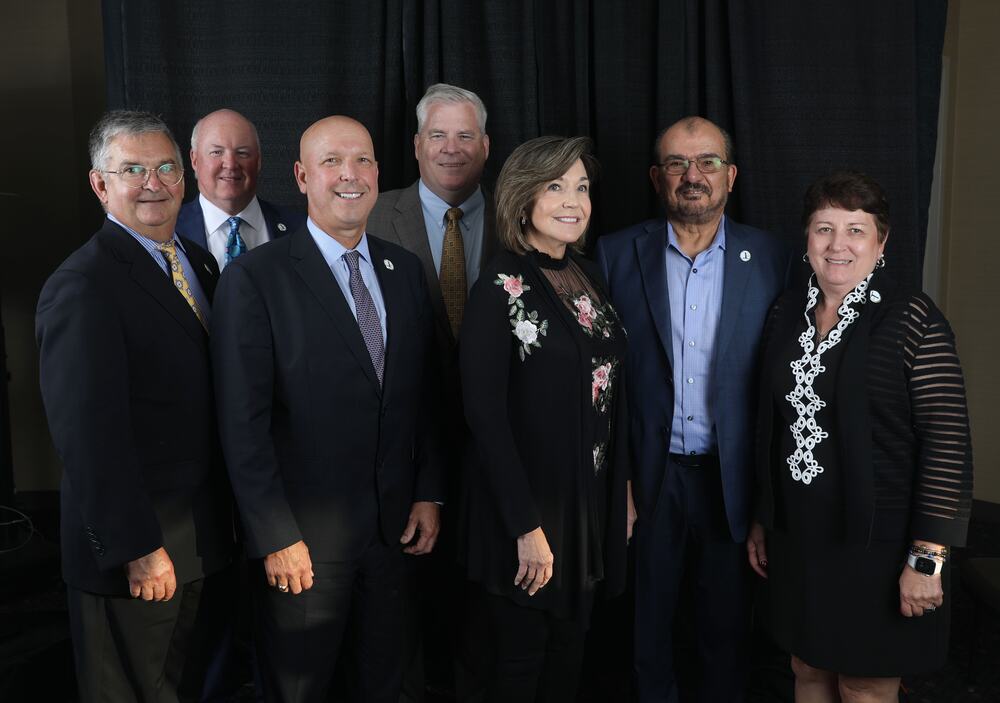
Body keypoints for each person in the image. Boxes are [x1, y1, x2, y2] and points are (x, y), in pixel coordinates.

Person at [211, 115, 445, 703]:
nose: (350, 174)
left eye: (363, 160)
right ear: (301, 176)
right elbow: (243, 425)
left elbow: (428, 399)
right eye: (332, 162)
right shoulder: (255, 279)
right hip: (303, 546)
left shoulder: (406, 271)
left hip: (393, 535)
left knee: (385, 685)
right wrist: (274, 535)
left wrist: (428, 492)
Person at [745, 171, 974, 702]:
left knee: (864, 683)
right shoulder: (785, 314)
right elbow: (771, 427)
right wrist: (765, 513)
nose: (837, 245)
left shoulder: (913, 318)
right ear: (806, 239)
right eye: (824, 229)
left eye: (855, 229)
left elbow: (947, 442)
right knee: (806, 668)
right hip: (800, 536)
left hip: (882, 544)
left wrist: (927, 558)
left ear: (882, 242)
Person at [36, 110, 233, 702]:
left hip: (203, 541)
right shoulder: (83, 284)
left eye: (167, 167)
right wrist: (137, 549)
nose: (154, 182)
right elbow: (87, 435)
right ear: (100, 185)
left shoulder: (197, 263)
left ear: (185, 176)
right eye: (133, 170)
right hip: (140, 553)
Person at [595, 116, 789, 702]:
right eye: (678, 163)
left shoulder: (774, 258)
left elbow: (785, 387)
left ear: (730, 176)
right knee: (644, 631)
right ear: (657, 177)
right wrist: (617, 481)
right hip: (647, 481)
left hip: (731, 482)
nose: (692, 175)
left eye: (707, 162)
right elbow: (601, 382)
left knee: (725, 635)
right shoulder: (613, 253)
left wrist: (766, 500)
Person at [459, 135, 634, 703]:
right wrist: (524, 528)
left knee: (567, 664)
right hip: (526, 517)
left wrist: (623, 490)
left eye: (581, 187)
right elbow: (483, 417)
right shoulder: (500, 284)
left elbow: (614, 396)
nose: (573, 200)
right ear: (523, 198)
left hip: (583, 510)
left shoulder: (589, 276)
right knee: (519, 669)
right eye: (556, 186)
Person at [367, 81, 497, 702]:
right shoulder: (369, 210)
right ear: (416, 146)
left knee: (485, 614)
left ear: (486, 146)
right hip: (400, 453)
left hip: (497, 454)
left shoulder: (522, 216)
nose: (452, 148)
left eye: (465, 135)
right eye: (438, 135)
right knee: (399, 615)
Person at [175, 108, 304, 271]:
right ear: (194, 160)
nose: (230, 164)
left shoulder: (301, 228)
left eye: (242, 153)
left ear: (258, 162)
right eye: (216, 152)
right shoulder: (169, 230)